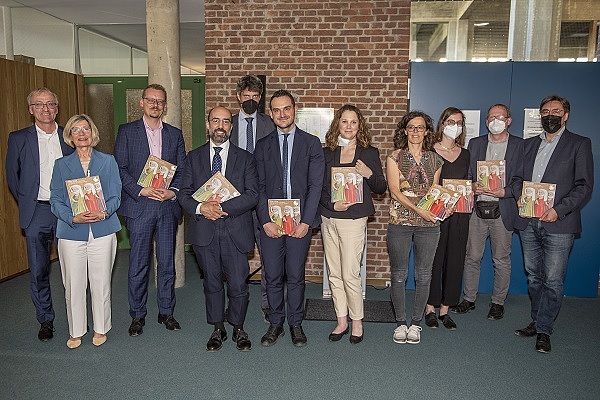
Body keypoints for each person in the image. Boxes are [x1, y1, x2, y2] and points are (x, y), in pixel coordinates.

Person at [514, 95, 593, 353]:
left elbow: (584, 186)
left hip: (559, 223)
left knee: (553, 279)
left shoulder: (579, 144)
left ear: (565, 115)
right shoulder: (526, 145)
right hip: (528, 222)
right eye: (546, 111)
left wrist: (557, 210)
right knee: (534, 276)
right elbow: (516, 179)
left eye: (556, 111)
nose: (550, 115)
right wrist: (520, 198)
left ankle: (545, 329)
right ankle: (538, 320)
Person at [179, 106, 258, 352]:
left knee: (238, 284)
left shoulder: (246, 158)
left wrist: (223, 206)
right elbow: (183, 193)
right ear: (208, 125)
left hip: (235, 229)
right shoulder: (193, 157)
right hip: (205, 230)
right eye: (216, 120)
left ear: (231, 127)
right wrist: (202, 208)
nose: (220, 126)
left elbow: (253, 195)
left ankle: (238, 328)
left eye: (225, 121)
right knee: (211, 283)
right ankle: (218, 328)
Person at [113, 83, 186, 336]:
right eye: (151, 100)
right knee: (138, 264)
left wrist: (172, 192)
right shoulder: (127, 131)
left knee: (167, 264)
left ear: (165, 106)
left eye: (160, 101)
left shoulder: (175, 134)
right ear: (142, 102)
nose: (156, 105)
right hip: (140, 206)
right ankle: (137, 315)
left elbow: (182, 170)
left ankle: (166, 312)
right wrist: (141, 190)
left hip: (166, 208)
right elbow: (119, 168)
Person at [254, 89, 325, 347]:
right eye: (277, 110)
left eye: (287, 109)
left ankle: (295, 323)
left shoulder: (311, 143)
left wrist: (306, 222)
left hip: (300, 223)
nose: (282, 114)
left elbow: (316, 185)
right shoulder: (262, 146)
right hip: (270, 223)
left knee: (295, 274)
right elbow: (258, 186)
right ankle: (276, 323)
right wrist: (264, 221)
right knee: (272, 275)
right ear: (271, 114)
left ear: (295, 110)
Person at [5, 87, 75, 341]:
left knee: (73, 269)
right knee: (39, 270)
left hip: (67, 213)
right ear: (31, 109)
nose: (45, 109)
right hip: (37, 212)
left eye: (50, 104)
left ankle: (75, 320)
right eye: (39, 104)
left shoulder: (70, 136)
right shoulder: (18, 138)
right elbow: (13, 178)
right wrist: (29, 202)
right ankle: (45, 320)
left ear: (57, 108)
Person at [49, 114, 121, 348]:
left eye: (85, 129)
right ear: (70, 136)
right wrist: (72, 217)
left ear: (93, 133)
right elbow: (55, 199)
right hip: (71, 232)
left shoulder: (108, 161)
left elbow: (115, 195)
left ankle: (101, 328)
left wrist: (104, 212)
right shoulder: (61, 165)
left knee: (100, 283)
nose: (81, 133)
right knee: (74, 284)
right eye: (76, 130)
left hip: (103, 229)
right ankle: (76, 330)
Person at [319, 104, 387, 344]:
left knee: (350, 273)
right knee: (334, 272)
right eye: (344, 121)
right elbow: (318, 187)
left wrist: (368, 173)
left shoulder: (369, 152)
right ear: (337, 123)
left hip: (354, 221)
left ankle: (357, 322)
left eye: (353, 122)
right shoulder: (326, 152)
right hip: (329, 218)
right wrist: (331, 205)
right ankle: (341, 320)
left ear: (360, 126)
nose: (348, 126)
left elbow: (381, 187)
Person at [451, 104, 523, 321]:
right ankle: (469, 299)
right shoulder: (476, 143)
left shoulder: (520, 145)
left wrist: (506, 191)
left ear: (509, 120)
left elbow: (522, 178)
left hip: (503, 208)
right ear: (486, 122)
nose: (495, 121)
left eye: (500, 117)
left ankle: (498, 302)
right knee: (472, 256)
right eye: (491, 117)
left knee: (501, 259)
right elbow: (469, 173)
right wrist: (471, 185)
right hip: (477, 209)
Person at [387, 110, 444, 345]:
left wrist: (443, 208)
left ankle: (416, 323)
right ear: (404, 131)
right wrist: (419, 210)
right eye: (411, 127)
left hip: (429, 225)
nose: (415, 131)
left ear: (427, 132)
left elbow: (435, 192)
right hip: (400, 222)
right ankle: (401, 322)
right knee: (399, 274)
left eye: (420, 127)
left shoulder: (435, 159)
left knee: (424, 275)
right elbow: (394, 191)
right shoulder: (395, 157)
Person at [230, 75, 276, 323]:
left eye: (255, 97)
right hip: (236, 202)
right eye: (246, 96)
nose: (250, 100)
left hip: (262, 201)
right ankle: (237, 303)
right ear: (239, 97)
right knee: (235, 257)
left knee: (269, 256)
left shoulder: (270, 125)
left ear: (260, 99)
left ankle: (269, 305)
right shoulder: (228, 124)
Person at [425, 107, 470, 330]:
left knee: (455, 261)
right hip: (436, 215)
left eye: (459, 122)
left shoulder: (466, 153)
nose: (455, 126)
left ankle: (445, 309)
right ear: (442, 124)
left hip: (460, 215)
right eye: (450, 121)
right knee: (434, 260)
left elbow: (467, 183)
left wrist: (474, 188)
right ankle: (430, 308)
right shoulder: (430, 151)